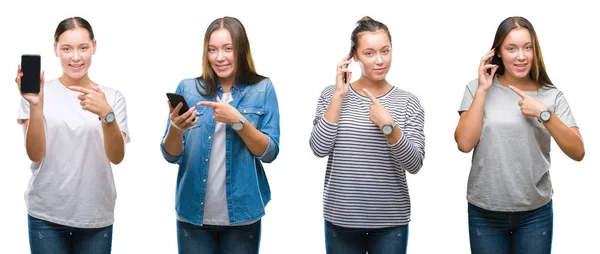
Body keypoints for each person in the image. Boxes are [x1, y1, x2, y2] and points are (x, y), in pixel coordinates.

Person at [454, 16, 585, 253]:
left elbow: (578, 151)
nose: (521, 56)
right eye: (511, 48)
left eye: (527, 47)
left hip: (535, 213)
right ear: (499, 53)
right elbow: (464, 143)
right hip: (485, 211)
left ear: (535, 51)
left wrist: (544, 114)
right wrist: (484, 89)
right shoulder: (476, 88)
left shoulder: (551, 95)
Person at [160, 16, 280, 254]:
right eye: (212, 50)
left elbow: (269, 152)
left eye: (228, 49)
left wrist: (238, 121)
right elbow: (170, 155)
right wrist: (176, 128)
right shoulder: (188, 89)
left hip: (243, 215)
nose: (219, 57)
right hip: (192, 215)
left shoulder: (262, 89)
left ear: (241, 50)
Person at [309, 16, 425, 254]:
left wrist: (389, 127)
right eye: (370, 53)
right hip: (341, 218)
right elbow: (318, 148)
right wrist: (339, 96)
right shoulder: (331, 95)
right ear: (354, 56)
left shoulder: (407, 102)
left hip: (391, 221)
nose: (380, 60)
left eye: (385, 51)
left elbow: (414, 164)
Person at [15, 16, 130, 254]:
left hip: (95, 215)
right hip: (45, 214)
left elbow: (117, 157)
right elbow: (35, 154)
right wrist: (36, 105)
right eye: (67, 48)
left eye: (83, 48)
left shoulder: (112, 97)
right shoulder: (38, 92)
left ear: (94, 47)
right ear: (55, 49)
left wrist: (106, 113)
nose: (75, 57)